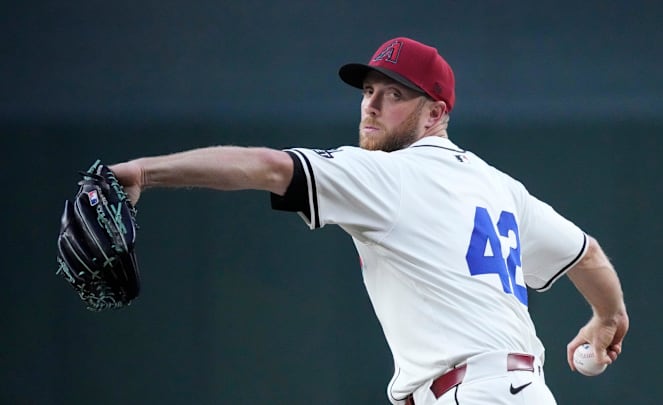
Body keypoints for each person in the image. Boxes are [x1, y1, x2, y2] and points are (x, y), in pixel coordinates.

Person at [109, 37, 629, 404]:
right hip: (517, 391)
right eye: (367, 91)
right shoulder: (499, 187)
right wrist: (608, 316)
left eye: (395, 95)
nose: (372, 106)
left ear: (435, 113)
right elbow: (587, 254)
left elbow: (267, 166)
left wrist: (141, 172)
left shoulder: (390, 175)